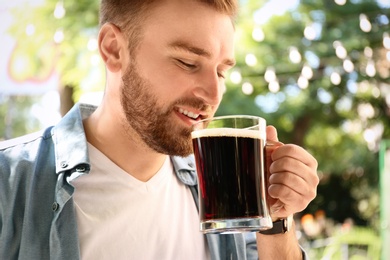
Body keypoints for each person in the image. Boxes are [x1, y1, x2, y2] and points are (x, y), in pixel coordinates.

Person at [0, 0, 319, 259]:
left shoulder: (225, 194)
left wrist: (276, 219)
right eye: (187, 63)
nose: (213, 93)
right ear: (114, 49)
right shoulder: (10, 183)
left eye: (221, 71)